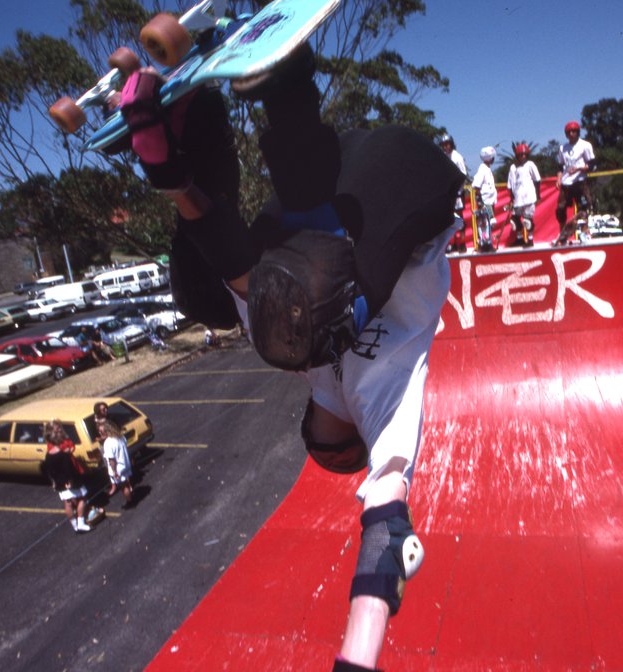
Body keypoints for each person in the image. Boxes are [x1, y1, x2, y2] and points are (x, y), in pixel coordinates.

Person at [118, 41, 462, 671]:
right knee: (306, 323)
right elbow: (388, 531)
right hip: (403, 190)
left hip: (326, 198)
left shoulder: (299, 360)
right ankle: (285, 84)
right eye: (330, 454)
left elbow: (237, 274)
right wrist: (357, 658)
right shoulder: (383, 414)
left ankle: (191, 142)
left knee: (216, 303)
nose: (322, 444)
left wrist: (178, 187)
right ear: (345, 441)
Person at [43, 419, 91, 533]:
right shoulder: (63, 454)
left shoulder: (48, 455)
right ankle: (81, 523)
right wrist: (70, 480)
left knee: (67, 502)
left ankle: (74, 525)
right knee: (82, 498)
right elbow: (68, 469)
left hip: (59, 482)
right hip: (71, 480)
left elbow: (49, 470)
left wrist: (54, 482)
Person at [553, 121, 595, 246]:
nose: (572, 134)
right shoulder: (563, 148)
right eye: (569, 132)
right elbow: (560, 166)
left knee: (583, 209)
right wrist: (558, 179)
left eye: (574, 131)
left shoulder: (585, 145)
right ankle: (562, 235)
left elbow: (592, 164)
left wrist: (578, 169)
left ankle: (584, 233)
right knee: (560, 209)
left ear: (578, 132)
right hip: (566, 183)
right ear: (566, 134)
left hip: (580, 181)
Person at [439, 134, 469, 254]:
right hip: (448, 194)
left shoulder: (457, 157)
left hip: (457, 193)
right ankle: (451, 244)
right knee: (449, 221)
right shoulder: (444, 157)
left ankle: (462, 243)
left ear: (451, 144)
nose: (446, 147)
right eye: (444, 145)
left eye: (448, 144)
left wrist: (458, 191)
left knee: (459, 220)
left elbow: (463, 175)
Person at [507, 142, 541, 247]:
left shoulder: (530, 165)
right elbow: (510, 184)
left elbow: (537, 180)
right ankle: (520, 239)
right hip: (518, 198)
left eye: (524, 154)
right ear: (517, 155)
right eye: (521, 155)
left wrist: (538, 194)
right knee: (514, 220)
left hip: (529, 197)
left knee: (527, 220)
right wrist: (511, 198)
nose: (523, 156)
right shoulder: (513, 167)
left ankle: (530, 240)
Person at [101, 419, 135, 508]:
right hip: (125, 464)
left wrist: (114, 471)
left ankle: (130, 501)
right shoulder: (121, 437)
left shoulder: (108, 443)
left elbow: (112, 460)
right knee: (126, 482)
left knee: (123, 487)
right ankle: (131, 494)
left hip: (118, 468)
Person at [471, 146, 499, 251]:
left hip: (489, 201)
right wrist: (480, 202)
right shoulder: (482, 169)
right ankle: (485, 245)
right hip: (485, 202)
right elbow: (476, 186)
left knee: (489, 223)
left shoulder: (487, 169)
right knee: (484, 224)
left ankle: (488, 244)